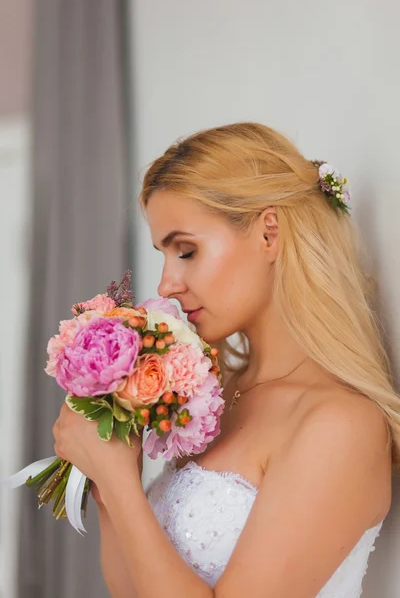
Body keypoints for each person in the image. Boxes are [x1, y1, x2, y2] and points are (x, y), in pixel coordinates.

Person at [53, 122, 398, 597]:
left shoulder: (341, 424)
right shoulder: (217, 396)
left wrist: (118, 483)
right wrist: (109, 472)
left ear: (269, 234)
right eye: (164, 254)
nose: (165, 284)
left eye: (187, 250)